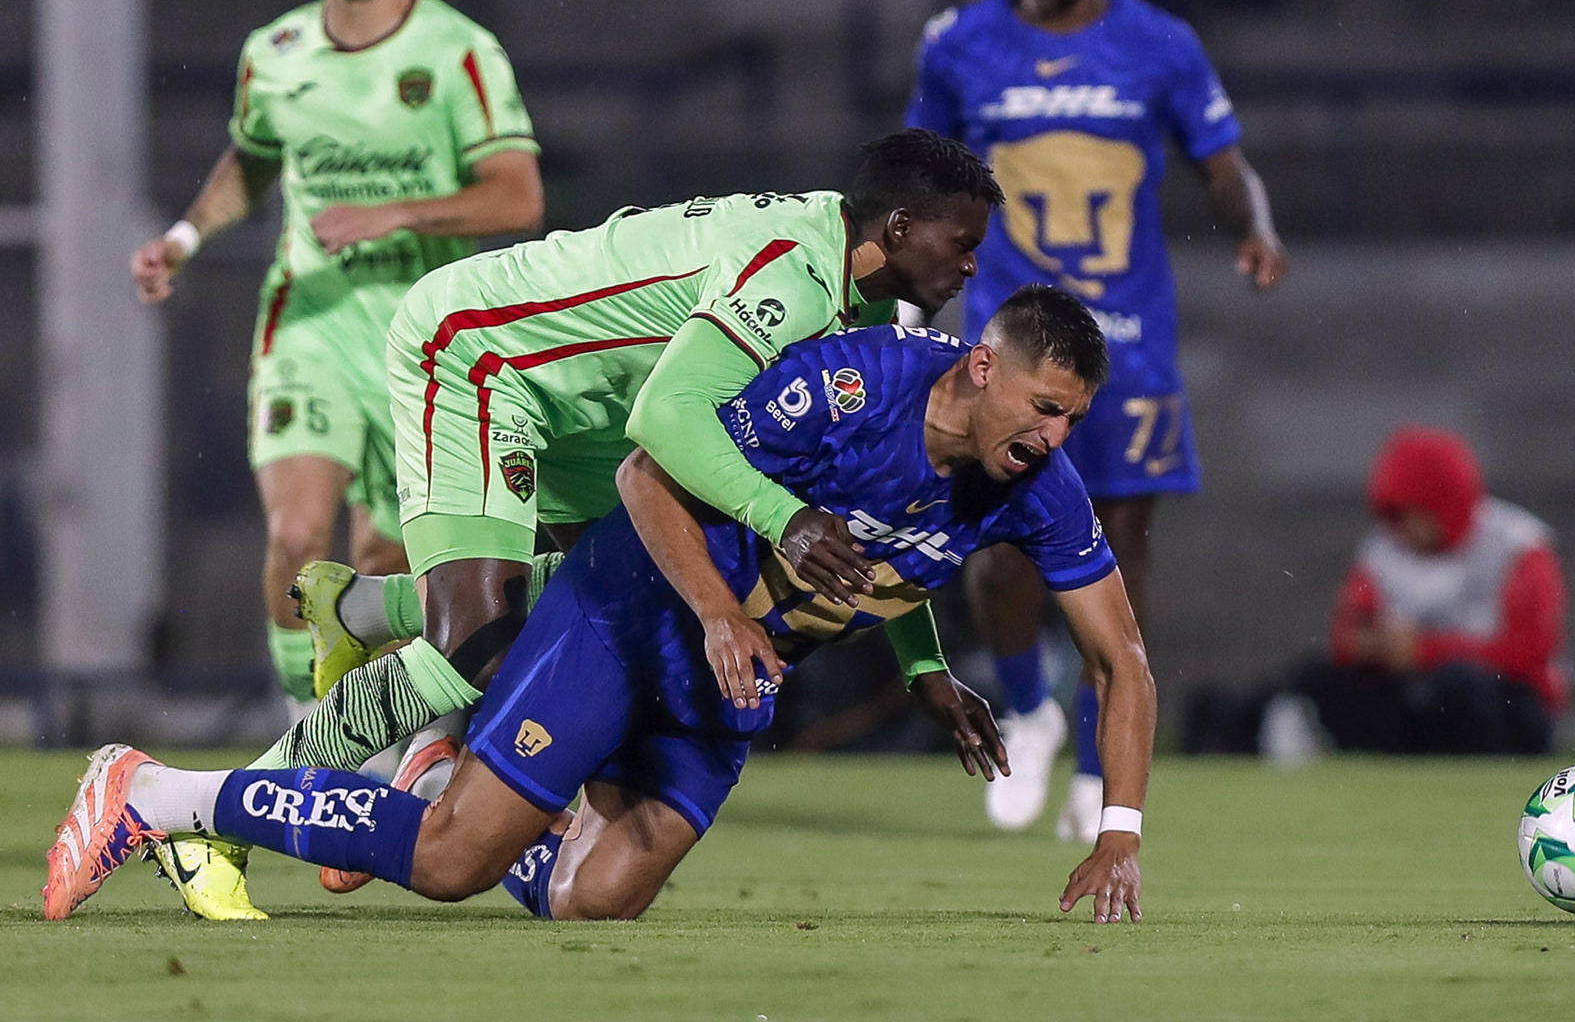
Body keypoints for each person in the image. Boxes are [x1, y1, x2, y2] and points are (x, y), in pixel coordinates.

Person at [47, 288, 1157, 925]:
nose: (1055, 439)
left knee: (597, 897)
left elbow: (1125, 663)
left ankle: (452, 773)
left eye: (1072, 421)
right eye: (1046, 408)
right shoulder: (848, 386)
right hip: (635, 615)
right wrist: (721, 608)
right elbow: (644, 476)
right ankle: (155, 790)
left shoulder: (1035, 489)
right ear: (980, 368)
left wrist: (1117, 831)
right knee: (447, 865)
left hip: (731, 675)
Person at [156, 130, 1002, 918]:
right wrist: (785, 518)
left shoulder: (863, 318)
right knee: (475, 649)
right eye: (962, 242)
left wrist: (921, 659)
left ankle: (372, 616)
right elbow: (673, 415)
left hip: (598, 411)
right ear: (898, 228)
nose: (973, 264)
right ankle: (216, 818)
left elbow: (868, 516)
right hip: (485, 358)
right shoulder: (795, 277)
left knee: (648, 583)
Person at [126, 0, 545, 918]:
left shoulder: (459, 51)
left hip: (426, 341)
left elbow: (516, 194)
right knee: (292, 536)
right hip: (308, 329)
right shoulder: (272, 53)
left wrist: (399, 214)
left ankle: (360, 737)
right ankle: (299, 757)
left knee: (379, 560)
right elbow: (252, 157)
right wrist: (182, 232)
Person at [904, 0, 1286, 838]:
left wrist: (1255, 225)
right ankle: (1027, 705)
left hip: (1128, 343)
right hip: (1010, 339)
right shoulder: (959, 45)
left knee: (1121, 547)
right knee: (996, 544)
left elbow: (1223, 160)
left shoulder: (1160, 45)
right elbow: (919, 175)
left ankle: (1092, 740)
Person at [1291, 426, 1567, 755]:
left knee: (1462, 688)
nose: (1401, 529)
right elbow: (1346, 638)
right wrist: (1376, 646)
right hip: (1415, 697)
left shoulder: (1518, 547)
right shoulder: (1383, 550)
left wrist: (1424, 651)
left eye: (1411, 514)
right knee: (1323, 683)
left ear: (1442, 503)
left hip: (1507, 706)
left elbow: (1530, 654)